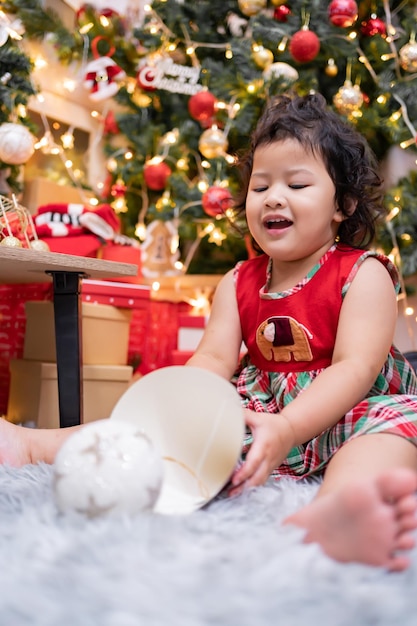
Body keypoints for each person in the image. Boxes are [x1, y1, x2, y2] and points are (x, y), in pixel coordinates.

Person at [1, 93, 417, 571]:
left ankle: (346, 510)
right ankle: (33, 445)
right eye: (261, 187)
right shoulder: (239, 280)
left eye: (297, 184)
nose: (274, 197)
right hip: (261, 411)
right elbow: (214, 361)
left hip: (350, 408)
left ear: (342, 205)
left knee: (393, 433)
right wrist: (185, 410)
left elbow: (356, 367)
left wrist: (291, 427)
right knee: (156, 434)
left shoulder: (363, 273)